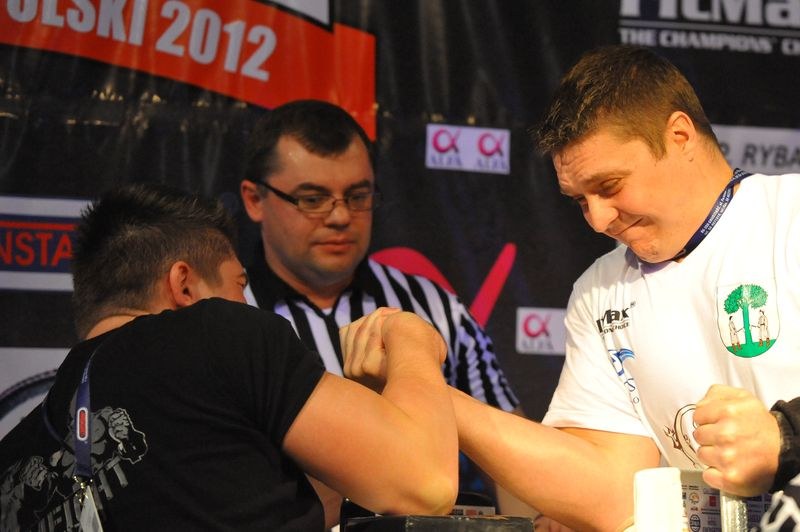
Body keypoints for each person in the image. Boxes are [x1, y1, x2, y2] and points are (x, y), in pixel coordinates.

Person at [347, 44, 800, 531]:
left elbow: (779, 440)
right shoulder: (598, 291)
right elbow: (612, 493)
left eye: (609, 186)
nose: (598, 220)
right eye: (580, 201)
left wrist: (785, 435)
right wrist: (424, 391)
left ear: (680, 136)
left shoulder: (790, 215)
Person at [0, 183, 458, 531]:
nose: (247, 302)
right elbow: (425, 485)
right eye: (240, 284)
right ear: (183, 285)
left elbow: (262, 506)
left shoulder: (14, 456)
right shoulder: (214, 331)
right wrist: (411, 336)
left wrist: (363, 420)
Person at [238, 99, 524, 512]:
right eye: (313, 199)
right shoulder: (227, 314)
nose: (340, 217)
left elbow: (509, 447)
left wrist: (535, 520)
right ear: (254, 200)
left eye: (358, 196)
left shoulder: (432, 306)